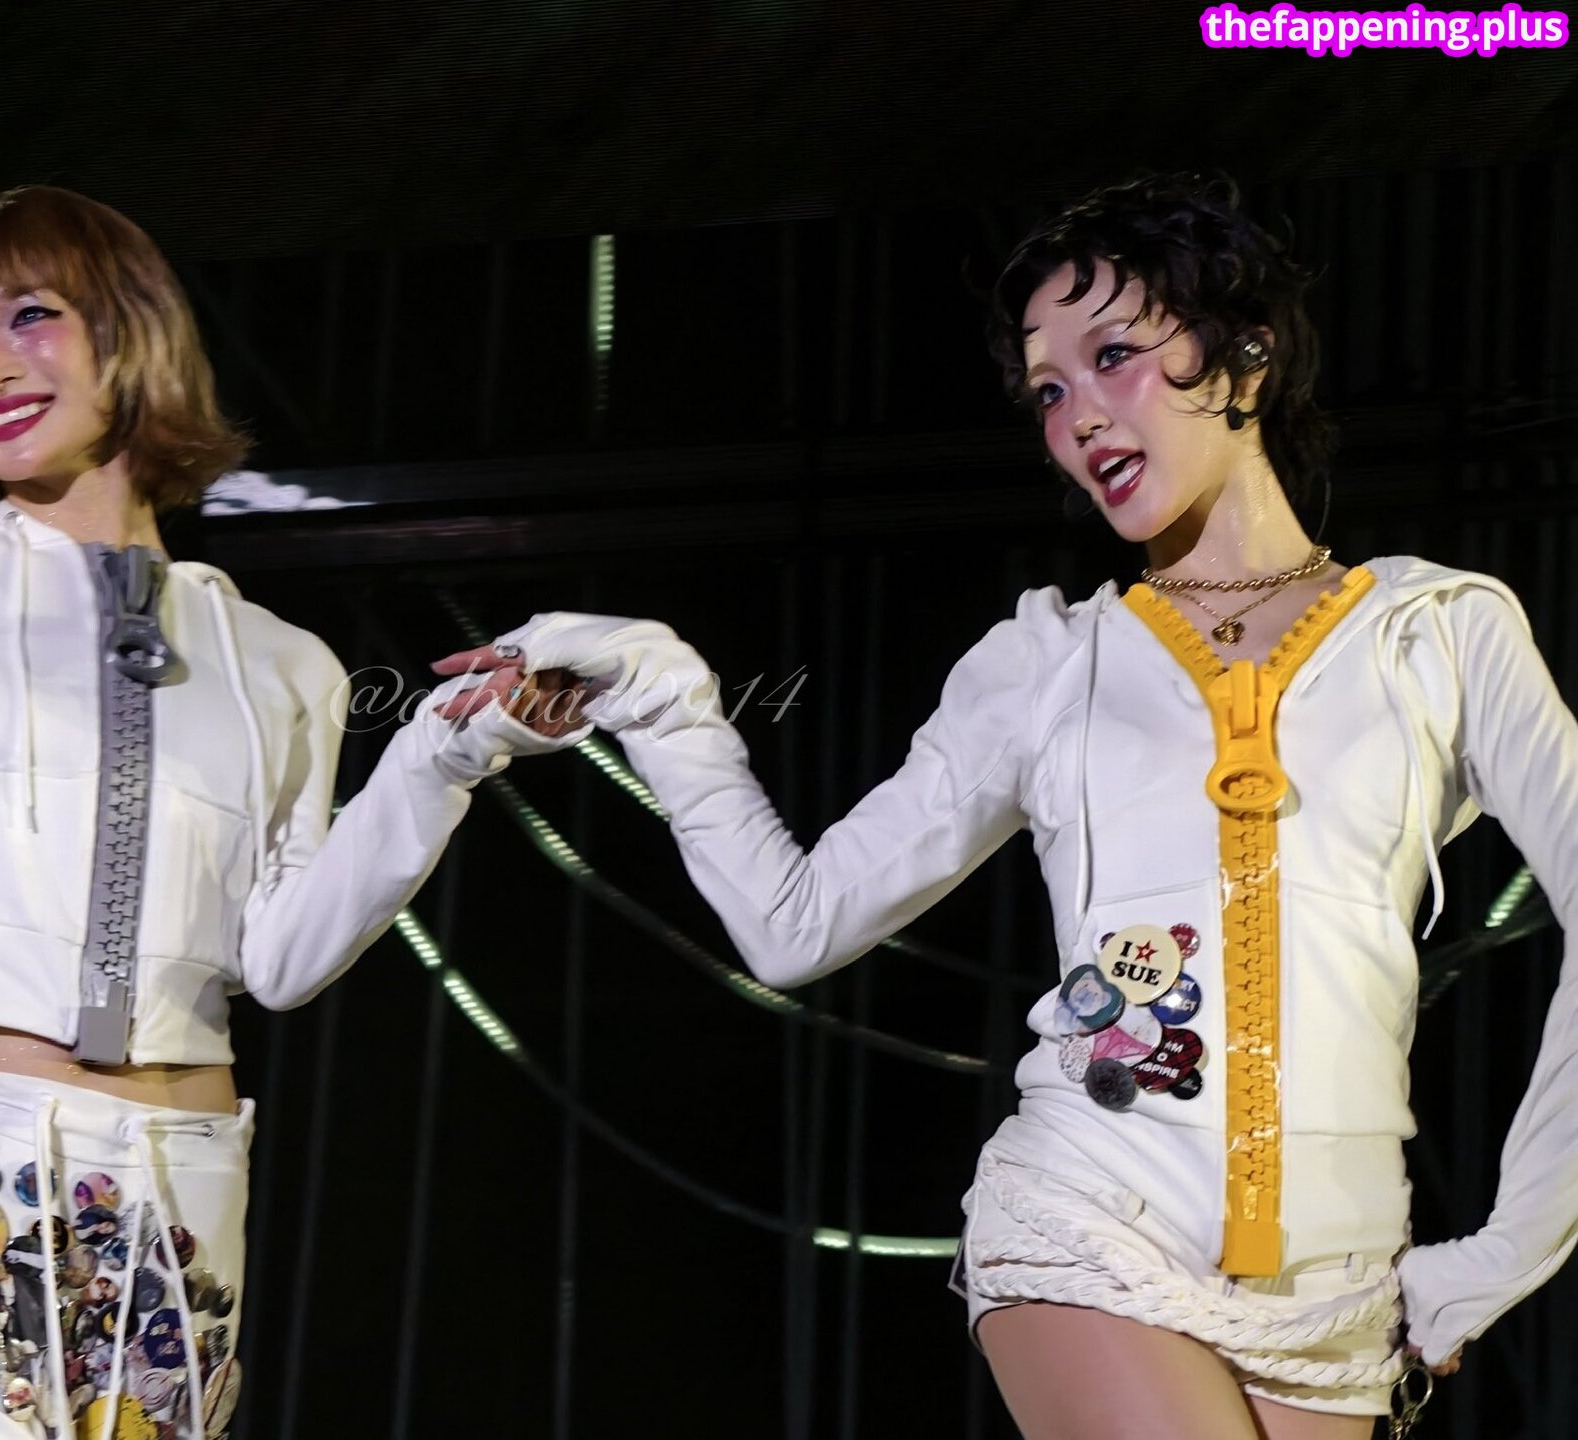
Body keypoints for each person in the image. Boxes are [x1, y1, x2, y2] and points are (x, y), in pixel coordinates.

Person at [437, 174, 1578, 1438]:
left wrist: (1504, 1251)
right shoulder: (1044, 665)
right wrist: (664, 698)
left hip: (1340, 1285)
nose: (1079, 414)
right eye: (1047, 390)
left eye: (1115, 356)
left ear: (1246, 356)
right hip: (1091, 1216)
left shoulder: (1439, 633)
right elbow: (794, 924)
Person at [0, 185, 579, 1440]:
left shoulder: (282, 663)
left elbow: (280, 958)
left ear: (132, 329)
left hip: (182, 1199)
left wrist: (449, 754)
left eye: (28, 315)